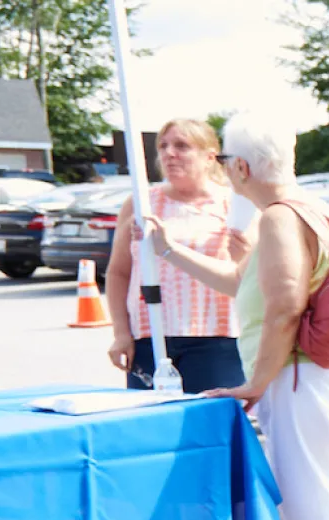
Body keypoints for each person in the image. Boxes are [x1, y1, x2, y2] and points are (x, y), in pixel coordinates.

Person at [142, 112, 329, 520]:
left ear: (241, 166)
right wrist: (170, 251)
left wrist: (256, 382)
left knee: (316, 484)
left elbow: (284, 308)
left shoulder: (276, 219)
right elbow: (238, 284)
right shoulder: (300, 210)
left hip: (306, 373)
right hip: (317, 370)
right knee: (297, 482)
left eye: (223, 157)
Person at [103, 118, 246, 393]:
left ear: (209, 157)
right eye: (163, 146)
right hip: (150, 336)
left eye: (182, 146)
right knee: (151, 427)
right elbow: (118, 272)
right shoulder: (141, 203)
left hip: (216, 337)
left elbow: (250, 271)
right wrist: (121, 333)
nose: (170, 153)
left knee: (207, 427)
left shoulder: (232, 203)